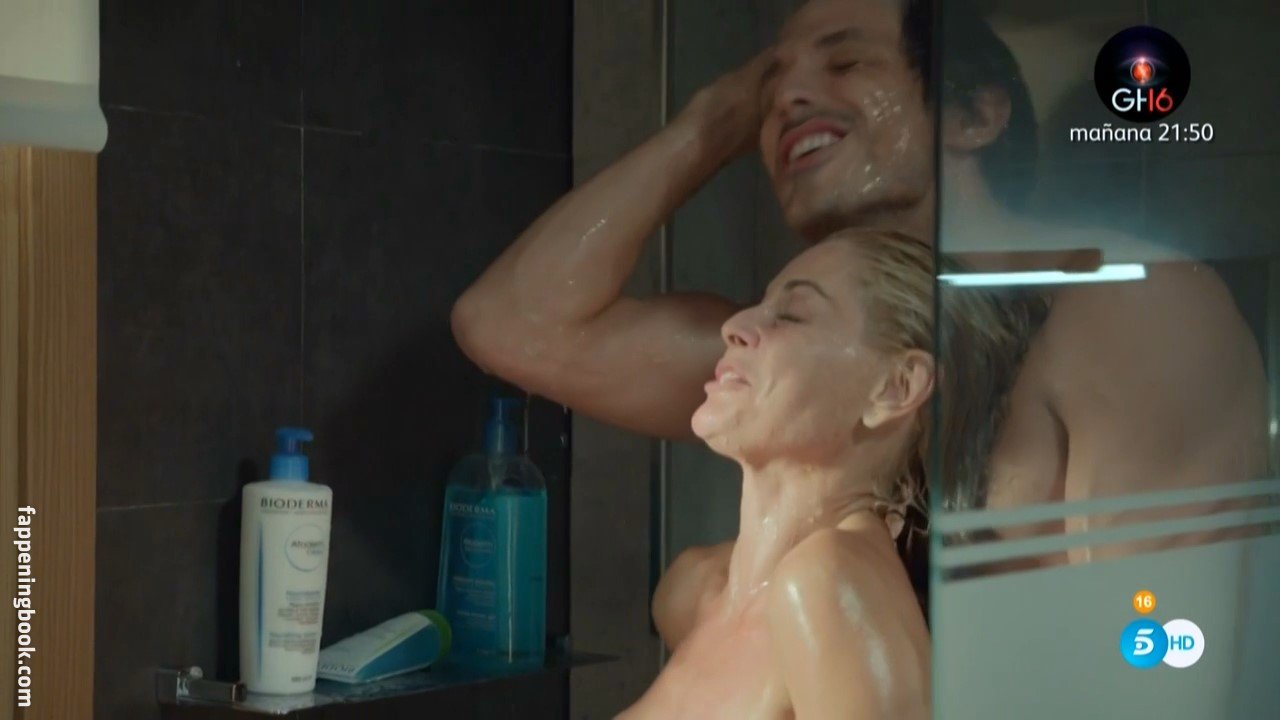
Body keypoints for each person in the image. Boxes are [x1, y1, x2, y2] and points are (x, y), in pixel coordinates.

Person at [452, 0, 1265, 566]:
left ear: (974, 114)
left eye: (847, 61)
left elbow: (1146, 665)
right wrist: (712, 119)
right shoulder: (801, 353)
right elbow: (511, 326)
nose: (788, 98)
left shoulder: (1129, 310)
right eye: (770, 92)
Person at [619, 229, 1036, 719]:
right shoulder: (693, 591)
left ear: (895, 388)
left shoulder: (830, 585)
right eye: (759, 305)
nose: (734, 325)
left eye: (792, 314)